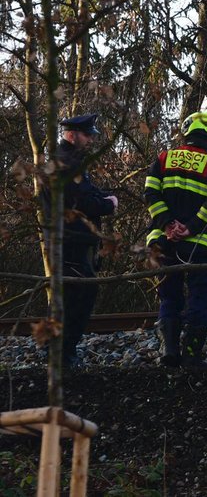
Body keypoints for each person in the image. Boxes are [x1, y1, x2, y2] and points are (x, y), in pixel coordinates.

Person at [144, 112, 207, 367]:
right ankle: (192, 354)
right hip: (201, 244)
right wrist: (190, 228)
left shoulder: (164, 158)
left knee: (169, 295)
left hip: (164, 240)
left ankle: (169, 350)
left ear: (186, 132)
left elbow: (150, 193)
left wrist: (168, 224)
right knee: (199, 297)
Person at [44, 113, 119, 368]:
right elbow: (84, 202)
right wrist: (108, 205)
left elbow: (88, 193)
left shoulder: (63, 160)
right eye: (87, 135)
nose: (90, 140)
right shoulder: (68, 163)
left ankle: (59, 351)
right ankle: (63, 354)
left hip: (68, 240)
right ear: (72, 134)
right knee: (80, 295)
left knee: (70, 296)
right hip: (72, 242)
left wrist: (104, 198)